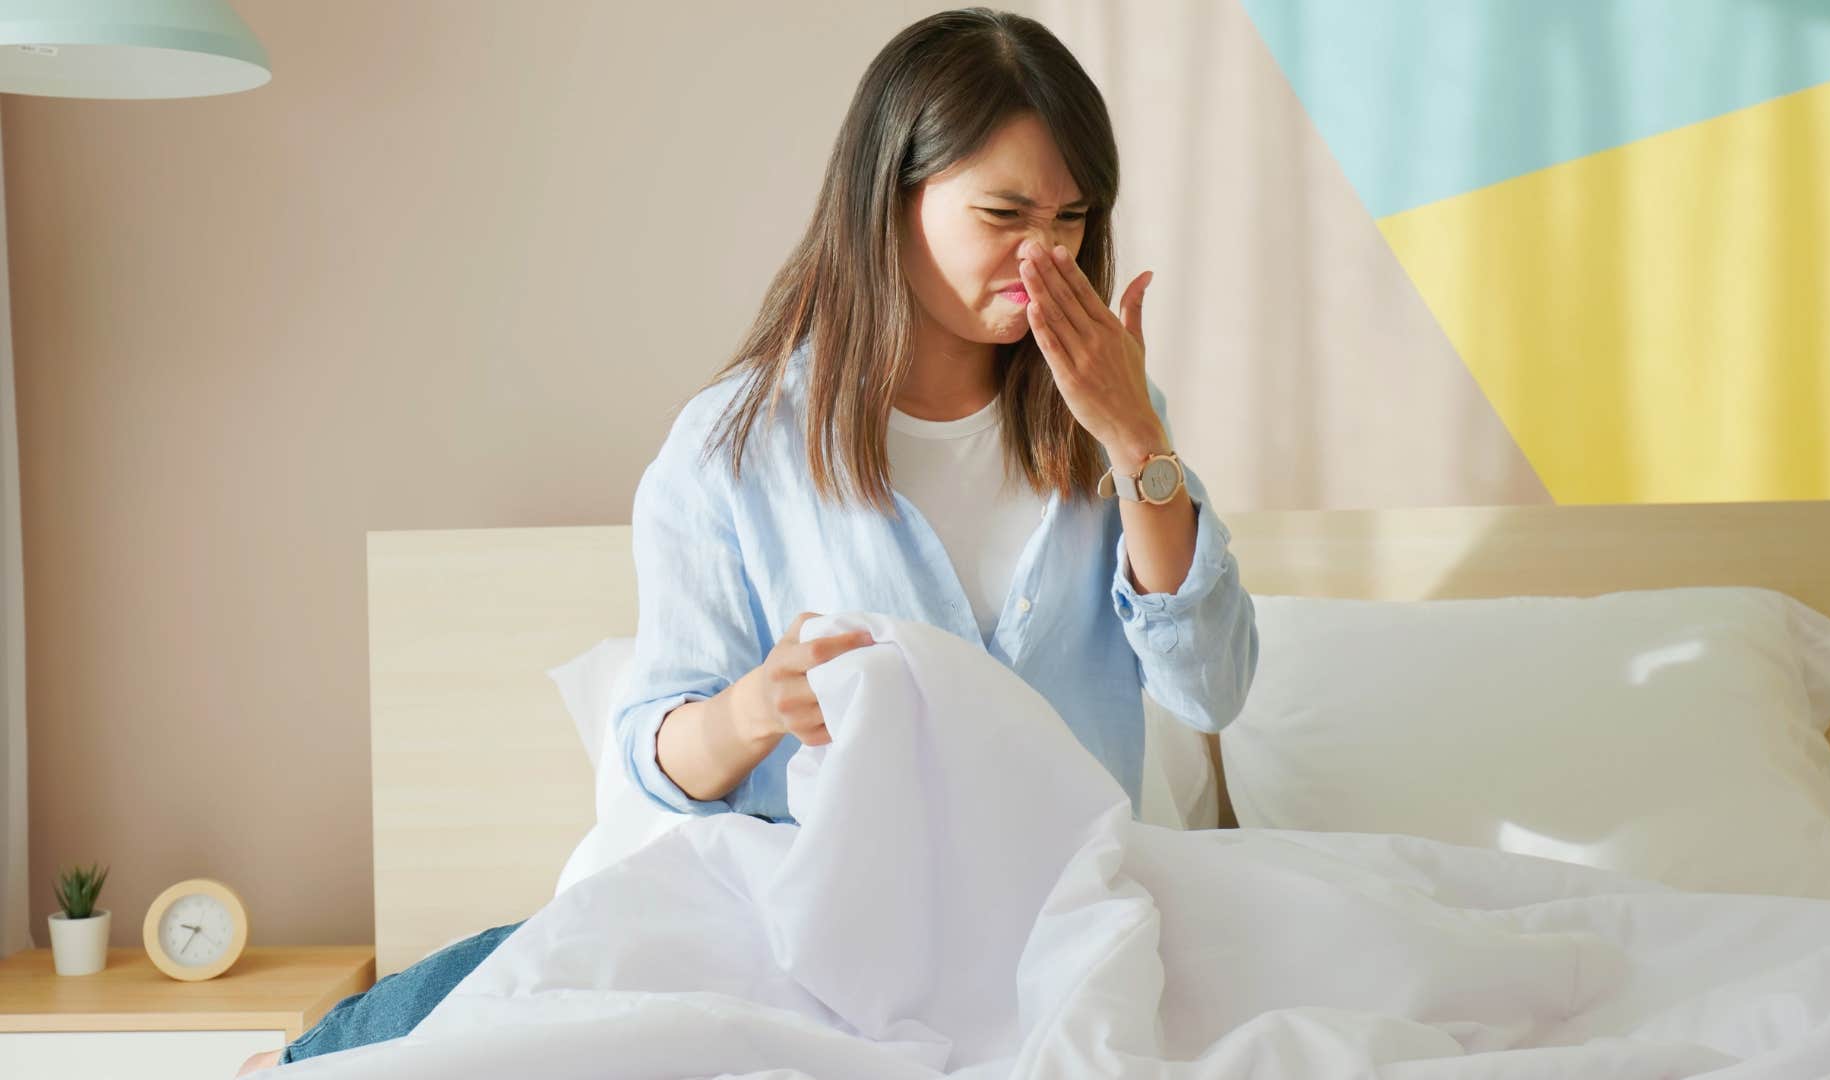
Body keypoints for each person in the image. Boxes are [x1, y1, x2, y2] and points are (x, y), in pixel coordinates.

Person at [238, 6, 1256, 1074]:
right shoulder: (739, 445)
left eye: (1073, 218)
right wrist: (751, 709)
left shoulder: (1113, 431)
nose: (1045, 254)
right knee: (490, 1008)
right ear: (889, 200)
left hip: (1059, 928)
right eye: (1004, 213)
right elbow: (655, 759)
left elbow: (1211, 689)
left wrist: (1137, 438)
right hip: (805, 930)